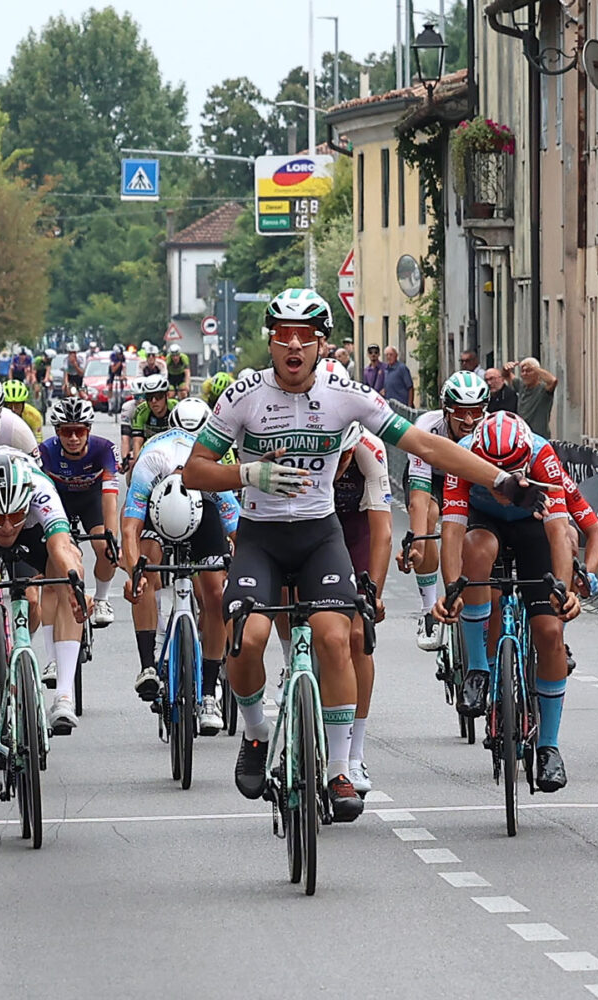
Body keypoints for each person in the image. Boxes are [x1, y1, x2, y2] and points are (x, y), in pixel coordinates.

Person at [181, 287, 547, 820]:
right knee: (248, 636)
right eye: (283, 336)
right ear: (271, 343)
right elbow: (194, 471)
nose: (293, 347)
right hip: (260, 536)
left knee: (336, 636)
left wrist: (501, 480)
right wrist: (246, 473)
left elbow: (423, 445)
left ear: (321, 345)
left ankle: (338, 769)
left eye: (304, 338)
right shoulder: (244, 397)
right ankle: (257, 736)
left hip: (319, 535)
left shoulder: (344, 395)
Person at [433, 411, 581, 791]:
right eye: (493, 474)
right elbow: (451, 531)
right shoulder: (463, 453)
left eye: (512, 474)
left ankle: (549, 747)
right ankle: (479, 669)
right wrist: (452, 589)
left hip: (532, 523)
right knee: (476, 550)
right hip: (485, 522)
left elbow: (559, 532)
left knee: (549, 633)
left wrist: (562, 591)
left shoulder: (541, 455)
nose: (502, 484)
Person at [0, 450, 88, 792]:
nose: (7, 525)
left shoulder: (39, 490)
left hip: (33, 532)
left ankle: (63, 695)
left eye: (14, 516)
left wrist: (76, 583)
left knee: (62, 581)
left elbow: (63, 548)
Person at [123, 398, 237, 734]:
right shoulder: (149, 465)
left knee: (216, 595)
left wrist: (244, 575)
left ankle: (208, 693)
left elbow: (238, 531)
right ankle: (148, 664)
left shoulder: (207, 469)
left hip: (203, 509)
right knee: (144, 567)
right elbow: (129, 528)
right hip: (158, 511)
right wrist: (134, 574)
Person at [397, 372, 490, 651]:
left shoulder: (491, 428)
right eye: (461, 413)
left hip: (470, 478)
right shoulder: (426, 427)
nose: (469, 421)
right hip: (433, 478)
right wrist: (417, 538)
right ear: (446, 410)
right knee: (427, 521)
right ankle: (428, 611)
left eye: (476, 412)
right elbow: (419, 497)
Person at [332, 422, 392, 795]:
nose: (340, 463)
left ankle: (354, 754)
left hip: (355, 526)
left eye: (345, 455)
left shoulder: (369, 450)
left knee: (357, 636)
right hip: (309, 524)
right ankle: (294, 664)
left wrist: (374, 594)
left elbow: (382, 533)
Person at [40, 397, 119, 629]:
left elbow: (110, 497)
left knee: (106, 549)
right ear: (57, 431)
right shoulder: (45, 452)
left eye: (79, 430)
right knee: (59, 557)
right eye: (66, 432)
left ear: (88, 430)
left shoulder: (104, 449)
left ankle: (102, 599)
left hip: (90, 500)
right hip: (59, 502)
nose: (73, 438)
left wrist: (111, 536)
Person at [502, 357, 558, 438]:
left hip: (539, 438)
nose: (525, 374)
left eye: (528, 371)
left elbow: (553, 381)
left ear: (537, 373)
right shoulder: (521, 386)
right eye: (522, 371)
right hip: (522, 437)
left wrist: (535, 368)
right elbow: (506, 375)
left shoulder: (543, 389)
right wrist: (506, 368)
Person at [129, 373, 177, 461]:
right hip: (149, 449)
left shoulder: (176, 408)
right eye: (149, 397)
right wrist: (137, 467)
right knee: (132, 462)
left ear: (166, 396)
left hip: (172, 448)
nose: (154, 401)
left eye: (158, 397)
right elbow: (137, 442)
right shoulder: (141, 411)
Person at [1, 379, 43, 443]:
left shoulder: (33, 415)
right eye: (9, 406)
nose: (13, 409)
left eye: (17, 406)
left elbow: (38, 442)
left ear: (23, 404)